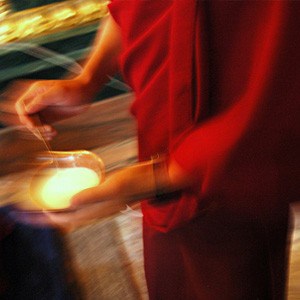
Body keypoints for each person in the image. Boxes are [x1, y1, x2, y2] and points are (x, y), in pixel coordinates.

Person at [10, 1, 299, 299]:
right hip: (160, 149)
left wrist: (155, 179)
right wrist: (87, 79)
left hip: (228, 177)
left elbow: (278, 100)